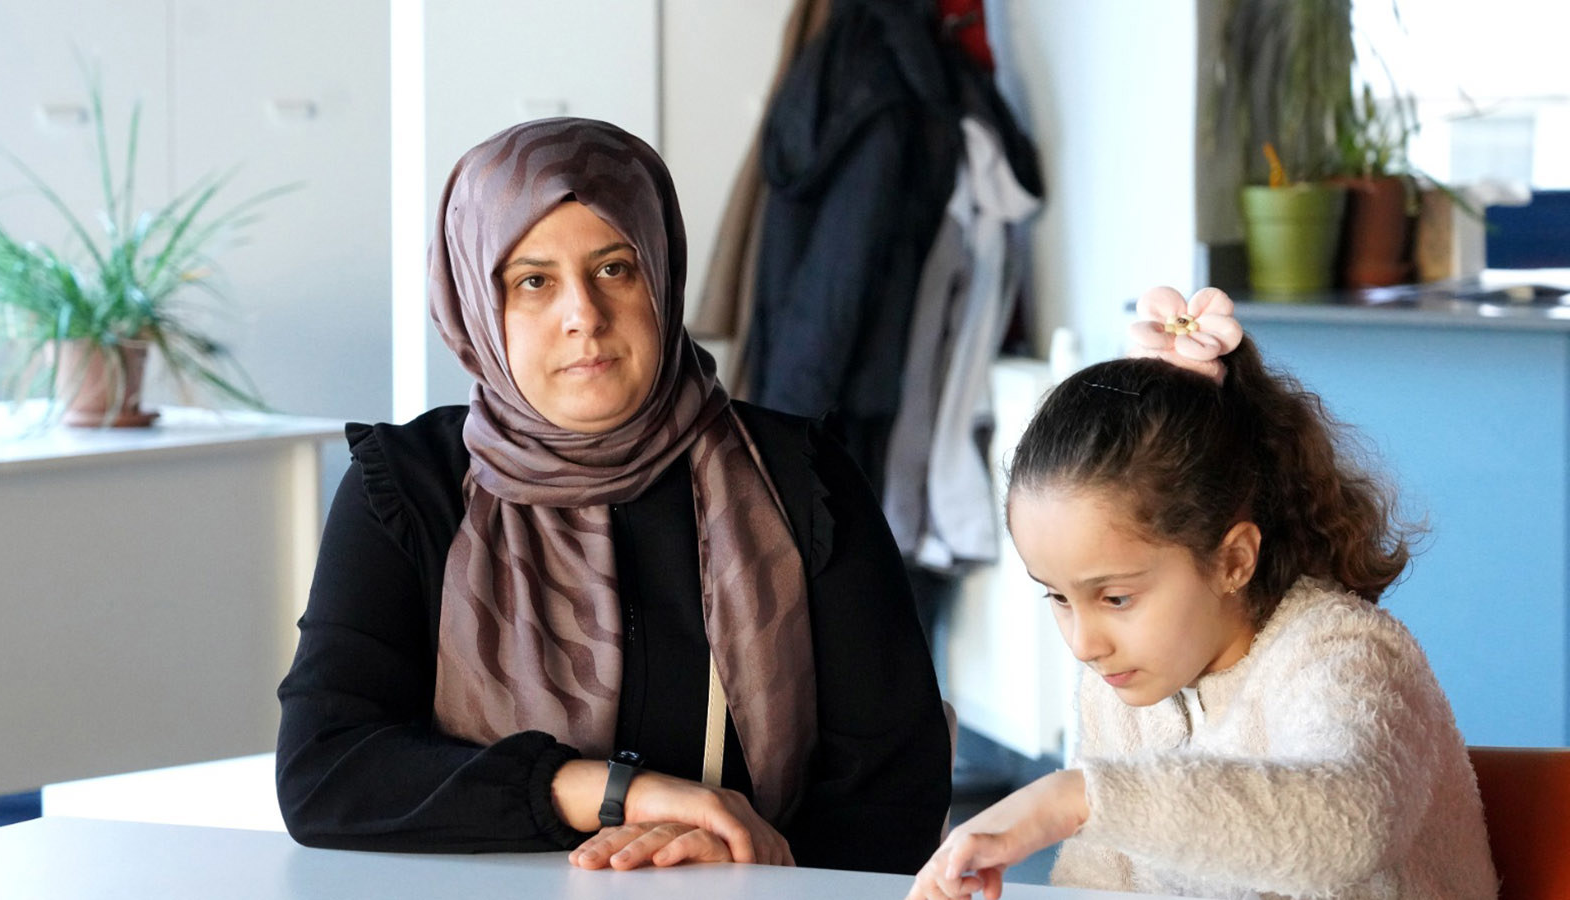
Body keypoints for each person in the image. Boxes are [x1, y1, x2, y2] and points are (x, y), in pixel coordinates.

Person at [275, 117, 951, 875]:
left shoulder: (799, 478)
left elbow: (897, 786)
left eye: (614, 268)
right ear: (476, 303)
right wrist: (615, 794)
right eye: (534, 281)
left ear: (661, 274)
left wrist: (748, 861)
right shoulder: (409, 486)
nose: (584, 317)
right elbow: (326, 772)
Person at [908, 287, 1497, 900]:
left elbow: (1351, 822)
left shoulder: (1344, 653)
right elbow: (1096, 884)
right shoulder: (1123, 689)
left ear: (1233, 560)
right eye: (1057, 597)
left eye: (1115, 598)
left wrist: (1074, 798)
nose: (1084, 645)